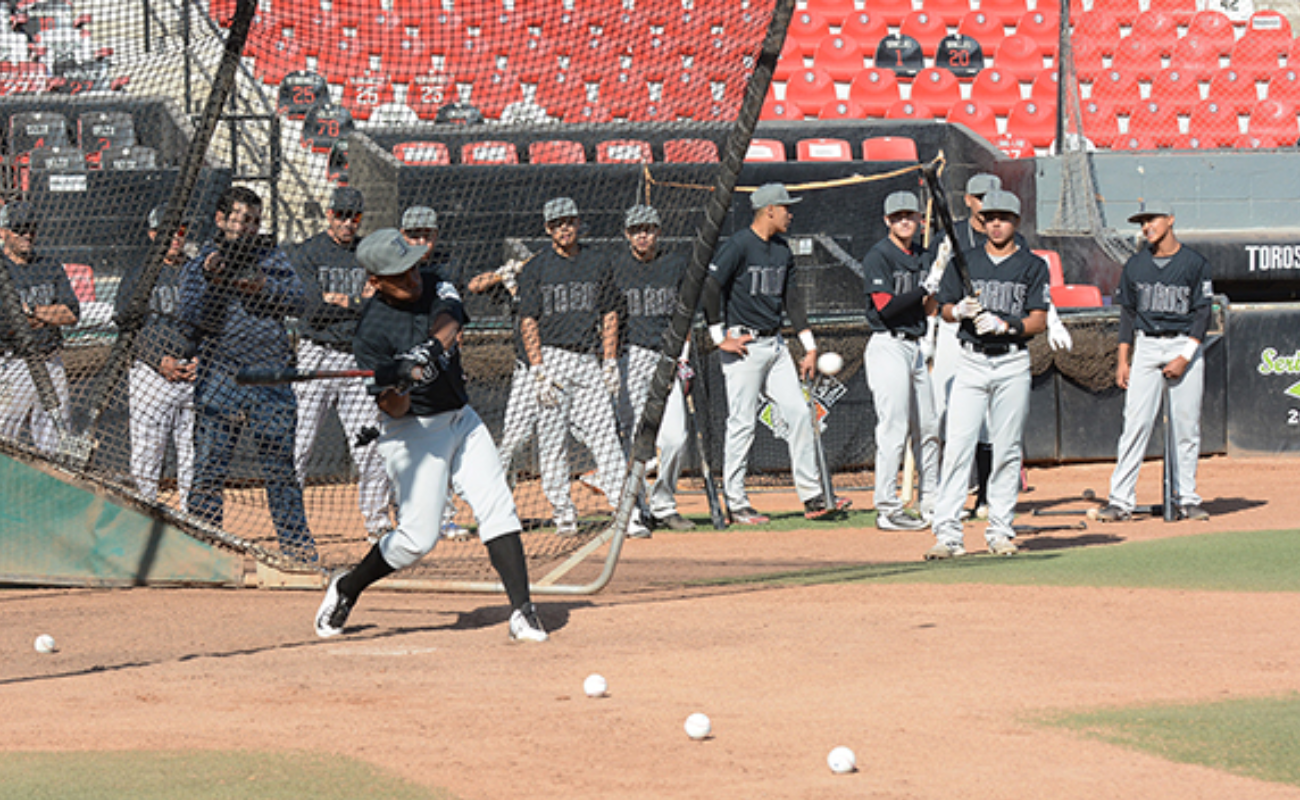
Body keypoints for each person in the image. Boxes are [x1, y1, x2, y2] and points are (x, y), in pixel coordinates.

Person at [314, 228, 547, 642]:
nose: (412, 278)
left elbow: (450, 321)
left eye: (412, 266)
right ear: (375, 282)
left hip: (461, 417)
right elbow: (391, 408)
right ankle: (347, 587)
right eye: (399, 276)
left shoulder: (435, 279)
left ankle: (523, 612)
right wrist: (400, 383)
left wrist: (428, 352)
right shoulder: (371, 334)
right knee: (416, 541)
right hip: (413, 432)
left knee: (497, 507)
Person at [179, 186, 317, 563]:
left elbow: (300, 301)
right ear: (221, 220)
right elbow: (189, 315)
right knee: (208, 467)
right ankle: (202, 551)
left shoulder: (272, 256)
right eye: (241, 219)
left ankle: (297, 548)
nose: (249, 228)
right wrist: (211, 277)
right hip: (218, 375)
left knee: (280, 469)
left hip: (270, 375)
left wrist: (263, 288)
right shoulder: (201, 261)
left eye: (255, 221)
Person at [701, 183, 849, 523]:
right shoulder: (739, 245)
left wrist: (809, 348)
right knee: (741, 423)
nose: (790, 213)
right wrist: (717, 336)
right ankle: (736, 502)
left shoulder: (782, 249)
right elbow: (710, 287)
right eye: (785, 207)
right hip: (743, 345)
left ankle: (813, 496)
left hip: (776, 344)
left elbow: (793, 300)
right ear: (769, 209)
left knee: (799, 413)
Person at [926, 189, 1049, 560]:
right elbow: (943, 308)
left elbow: (1038, 320)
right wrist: (959, 310)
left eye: (1004, 218)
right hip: (972, 361)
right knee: (959, 445)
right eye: (990, 217)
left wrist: (1007, 326)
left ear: (1016, 221)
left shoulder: (1032, 265)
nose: (996, 224)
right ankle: (947, 533)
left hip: (1012, 361)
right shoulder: (967, 261)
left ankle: (1000, 530)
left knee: (1007, 448)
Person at [517, 196, 648, 537]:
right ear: (548, 229)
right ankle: (563, 513)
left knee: (606, 437)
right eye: (557, 223)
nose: (564, 227)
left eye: (569, 221)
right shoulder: (536, 267)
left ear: (578, 223)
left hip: (588, 358)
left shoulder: (597, 261)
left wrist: (608, 361)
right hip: (552, 358)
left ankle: (626, 513)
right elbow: (528, 320)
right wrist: (538, 369)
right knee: (552, 440)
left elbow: (610, 313)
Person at [1095, 201, 1213, 523]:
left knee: (1186, 427)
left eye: (1153, 219)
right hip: (1146, 346)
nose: (1147, 226)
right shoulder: (1135, 265)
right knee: (1135, 424)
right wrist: (1124, 359)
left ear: (1171, 219)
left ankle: (1186, 498)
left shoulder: (1194, 263)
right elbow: (1128, 314)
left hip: (1183, 343)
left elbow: (1204, 312)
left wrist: (1185, 356)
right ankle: (1121, 500)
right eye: (1142, 222)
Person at [290, 186, 392, 542]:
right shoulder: (308, 252)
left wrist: (337, 300)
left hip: (356, 355)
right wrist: (354, 302)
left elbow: (379, 306)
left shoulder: (369, 253)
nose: (348, 222)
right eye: (341, 215)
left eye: (355, 216)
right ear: (329, 214)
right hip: (315, 352)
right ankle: (291, 523)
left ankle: (377, 522)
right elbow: (310, 308)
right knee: (300, 443)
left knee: (369, 445)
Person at [861, 191, 948, 531]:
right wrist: (924, 286)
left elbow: (928, 308)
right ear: (887, 221)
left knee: (928, 427)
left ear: (918, 219)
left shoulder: (923, 255)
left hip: (914, 346)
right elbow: (886, 306)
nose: (904, 221)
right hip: (887, 344)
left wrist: (937, 280)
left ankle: (931, 500)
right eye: (897, 217)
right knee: (893, 427)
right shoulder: (878, 256)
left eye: (909, 215)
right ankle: (887, 507)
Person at [609, 204, 694, 531]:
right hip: (629, 356)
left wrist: (683, 356)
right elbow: (608, 316)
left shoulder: (675, 264)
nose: (642, 234)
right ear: (627, 234)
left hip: (667, 357)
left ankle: (663, 503)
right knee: (632, 439)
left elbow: (684, 314)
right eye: (636, 230)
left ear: (658, 231)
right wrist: (610, 360)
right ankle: (637, 506)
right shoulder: (615, 267)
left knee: (675, 437)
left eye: (648, 228)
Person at [400, 205, 472, 541]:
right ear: (402, 236)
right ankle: (407, 514)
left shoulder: (448, 267)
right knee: (404, 448)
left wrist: (455, 363)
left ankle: (443, 516)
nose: (421, 242)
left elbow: (456, 323)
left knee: (441, 446)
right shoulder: (392, 265)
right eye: (414, 235)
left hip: (439, 364)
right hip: (404, 363)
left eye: (426, 235)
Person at [116, 206, 196, 503]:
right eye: (167, 230)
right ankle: (143, 516)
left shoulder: (195, 271)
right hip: (152, 376)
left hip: (192, 372)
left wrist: (203, 358)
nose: (176, 236)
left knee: (194, 455)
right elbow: (126, 325)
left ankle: (192, 521)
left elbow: (215, 319)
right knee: (148, 456)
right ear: (152, 234)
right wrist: (157, 359)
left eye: (181, 229)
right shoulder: (140, 273)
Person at [0, 201, 79, 452]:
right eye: (20, 228)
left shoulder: (48, 265)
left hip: (51, 360)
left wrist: (33, 313)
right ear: (3, 232)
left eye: (31, 228)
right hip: (14, 364)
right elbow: (7, 325)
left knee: (55, 440)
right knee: (5, 438)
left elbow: (71, 313)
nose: (27, 235)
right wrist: (47, 316)